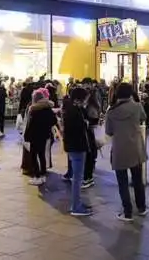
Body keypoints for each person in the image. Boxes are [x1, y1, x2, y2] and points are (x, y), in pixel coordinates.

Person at [105, 83, 148, 222]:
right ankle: (142, 207)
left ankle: (127, 212)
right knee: (137, 180)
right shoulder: (136, 107)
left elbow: (109, 131)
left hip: (119, 150)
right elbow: (144, 117)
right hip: (135, 148)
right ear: (130, 93)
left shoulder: (111, 111)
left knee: (122, 182)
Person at [62, 87, 92, 216]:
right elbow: (77, 129)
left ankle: (77, 202)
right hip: (77, 147)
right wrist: (85, 124)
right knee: (77, 178)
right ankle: (76, 206)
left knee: (77, 177)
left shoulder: (73, 109)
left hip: (75, 146)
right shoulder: (73, 112)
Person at [23, 88, 58, 185]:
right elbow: (54, 121)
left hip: (34, 136)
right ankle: (43, 175)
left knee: (33, 156)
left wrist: (26, 136)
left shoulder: (33, 110)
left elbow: (30, 125)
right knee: (42, 155)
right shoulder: (48, 109)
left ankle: (37, 176)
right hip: (45, 135)